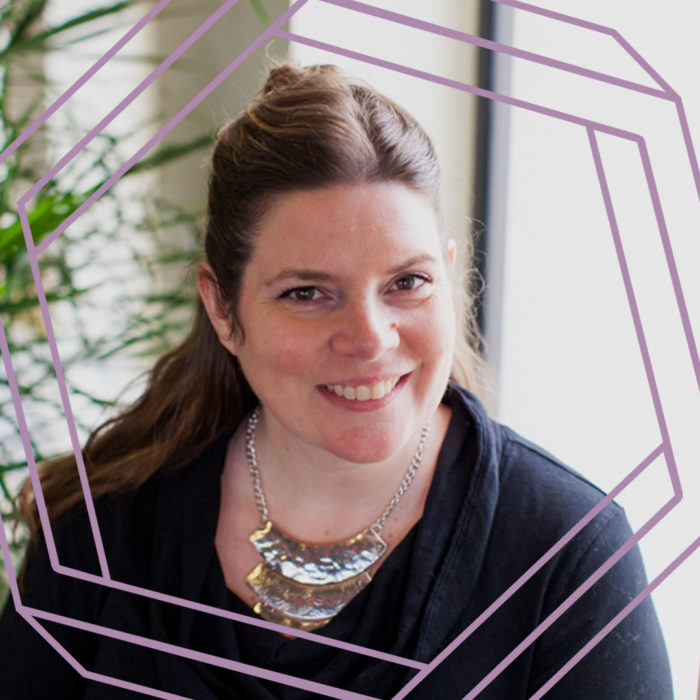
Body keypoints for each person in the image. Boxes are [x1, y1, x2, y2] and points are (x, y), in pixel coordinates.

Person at [0, 64, 672, 699]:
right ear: (222, 308)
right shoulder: (103, 528)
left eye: (407, 283)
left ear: (449, 278)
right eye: (306, 293)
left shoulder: (569, 556)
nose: (370, 338)